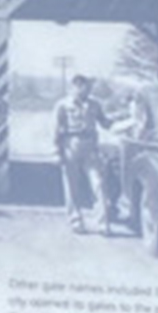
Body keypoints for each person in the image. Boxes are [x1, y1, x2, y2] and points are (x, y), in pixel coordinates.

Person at [55, 75, 114, 232]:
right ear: (75, 86)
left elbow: (105, 123)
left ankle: (103, 223)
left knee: (98, 184)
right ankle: (76, 221)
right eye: (83, 87)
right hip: (70, 144)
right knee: (72, 186)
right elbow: (56, 129)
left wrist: (124, 119)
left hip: (90, 146)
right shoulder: (62, 105)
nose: (87, 90)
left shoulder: (95, 105)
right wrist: (57, 152)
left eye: (89, 87)